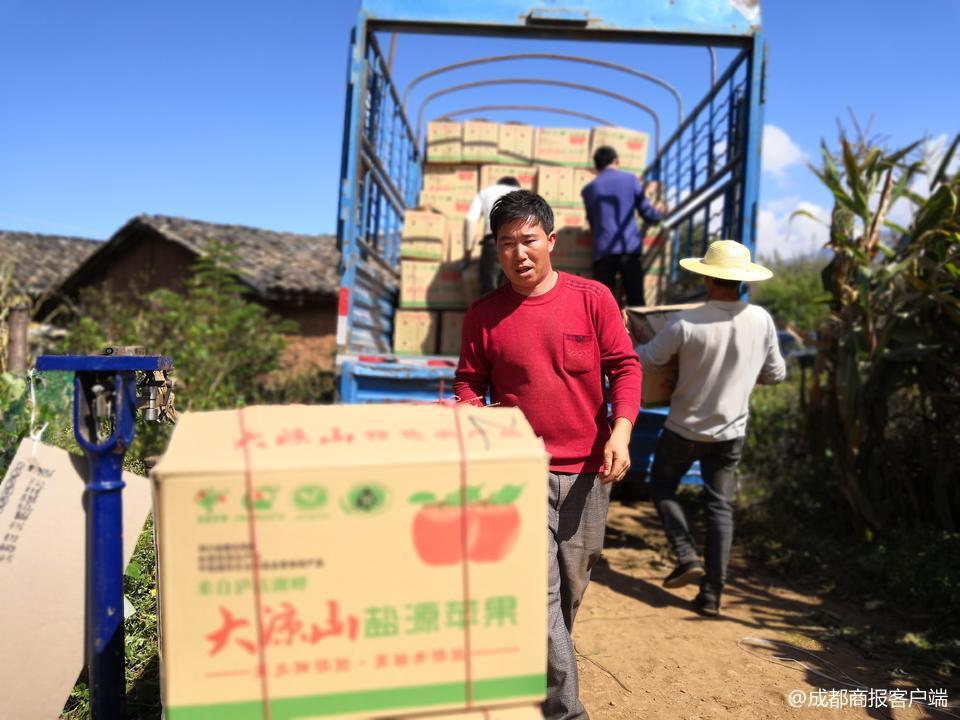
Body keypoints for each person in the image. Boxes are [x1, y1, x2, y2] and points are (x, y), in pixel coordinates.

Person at [454, 190, 643, 720]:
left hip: (588, 474)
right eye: (507, 244)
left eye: (529, 240)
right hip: (521, 475)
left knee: (567, 597)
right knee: (539, 600)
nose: (519, 253)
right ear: (496, 250)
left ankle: (532, 678)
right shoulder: (484, 316)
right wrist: (479, 418)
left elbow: (625, 369)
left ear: (551, 241)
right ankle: (565, 711)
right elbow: (469, 384)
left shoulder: (592, 299)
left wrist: (621, 431)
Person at [634, 239, 786, 617]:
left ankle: (686, 555)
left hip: (684, 429)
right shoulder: (761, 320)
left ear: (706, 276)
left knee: (662, 484)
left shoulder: (685, 323)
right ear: (742, 281)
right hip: (730, 435)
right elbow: (776, 374)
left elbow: (648, 361)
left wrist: (624, 341)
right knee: (720, 509)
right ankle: (711, 597)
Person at [581, 145, 666, 307]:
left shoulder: (589, 190)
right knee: (636, 301)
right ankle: (637, 332)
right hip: (628, 249)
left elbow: (593, 223)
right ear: (616, 161)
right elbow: (647, 213)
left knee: (604, 304)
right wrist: (659, 213)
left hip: (602, 252)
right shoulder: (630, 180)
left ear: (597, 166)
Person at [464, 176, 521, 294]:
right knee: (516, 292)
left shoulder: (485, 193)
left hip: (493, 243)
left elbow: (470, 220)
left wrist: (468, 253)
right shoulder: (522, 194)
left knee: (489, 292)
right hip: (518, 245)